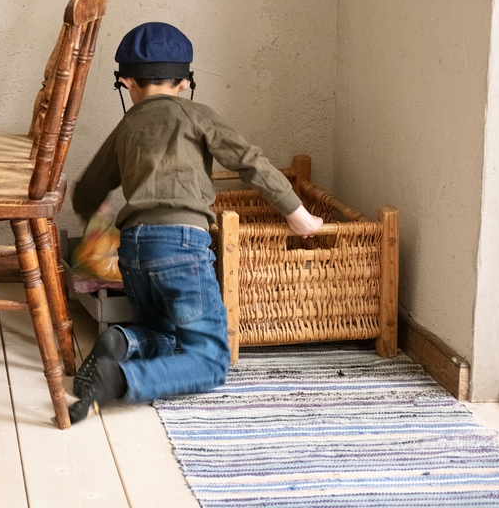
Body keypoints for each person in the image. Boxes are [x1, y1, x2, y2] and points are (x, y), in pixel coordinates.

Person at [68, 22, 323, 424]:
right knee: (210, 360)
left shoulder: (127, 127)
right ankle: (119, 379)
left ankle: (121, 340)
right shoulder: (197, 115)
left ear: (126, 82)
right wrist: (298, 215)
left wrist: (98, 222)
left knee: (162, 333)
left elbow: (85, 193)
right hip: (182, 246)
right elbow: (250, 162)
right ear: (185, 82)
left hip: (133, 248)